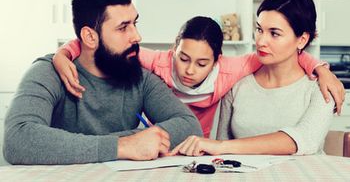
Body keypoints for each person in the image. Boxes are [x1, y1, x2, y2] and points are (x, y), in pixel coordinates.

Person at [3, 0, 203, 165]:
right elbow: (17, 139)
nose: (137, 36)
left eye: (135, 23)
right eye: (123, 28)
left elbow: (189, 126)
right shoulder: (49, 71)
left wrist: (130, 143)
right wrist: (123, 145)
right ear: (90, 37)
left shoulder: (140, 78)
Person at [53, 17, 344, 138]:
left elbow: (283, 53)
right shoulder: (157, 61)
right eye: (183, 58)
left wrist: (320, 68)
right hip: (161, 145)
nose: (189, 70)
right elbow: (107, 42)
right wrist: (63, 53)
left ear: (217, 61)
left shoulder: (235, 68)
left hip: (205, 148)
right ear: (173, 51)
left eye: (202, 63)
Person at [168, 0, 335, 156]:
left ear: (302, 40)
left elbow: (305, 140)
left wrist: (222, 147)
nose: (261, 41)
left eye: (274, 33)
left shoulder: (323, 87)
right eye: (259, 29)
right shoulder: (238, 84)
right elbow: (221, 151)